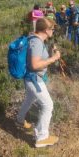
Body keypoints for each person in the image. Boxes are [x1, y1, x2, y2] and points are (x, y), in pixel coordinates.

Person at [16, 18, 63, 147]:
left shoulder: (35, 40)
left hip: (31, 78)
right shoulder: (36, 42)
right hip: (34, 79)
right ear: (46, 30)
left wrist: (50, 53)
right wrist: (53, 58)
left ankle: (20, 120)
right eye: (52, 29)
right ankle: (42, 138)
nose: (53, 31)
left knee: (29, 99)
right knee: (48, 105)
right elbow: (35, 64)